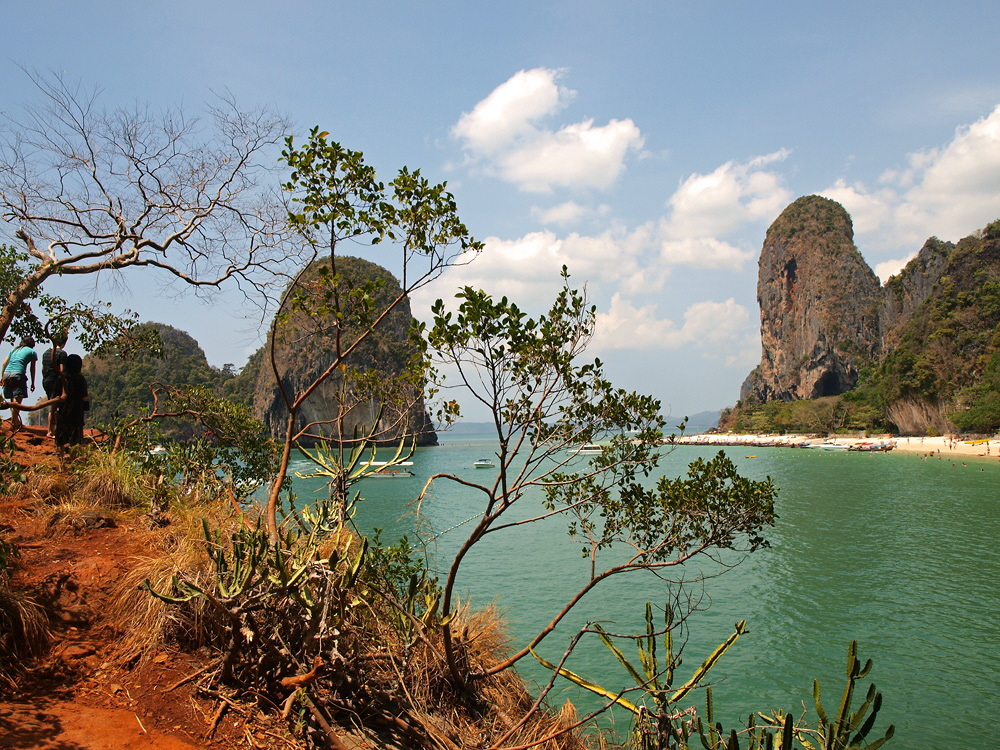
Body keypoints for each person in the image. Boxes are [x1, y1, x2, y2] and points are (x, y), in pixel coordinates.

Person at [1, 353, 89, 458]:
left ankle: (61, 460)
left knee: (60, 437)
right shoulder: (81, 379)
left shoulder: (61, 378)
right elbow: (84, 396)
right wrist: (85, 406)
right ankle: (76, 458)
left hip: (64, 411)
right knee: (76, 437)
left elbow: (55, 397)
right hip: (77, 411)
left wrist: (53, 411)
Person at [1, 336, 38, 434]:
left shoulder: (14, 349)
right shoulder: (32, 352)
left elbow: (4, 363)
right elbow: (32, 368)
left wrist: (2, 377)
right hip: (18, 374)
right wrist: (33, 382)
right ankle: (14, 425)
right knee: (17, 401)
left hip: (7, 374)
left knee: (12, 400)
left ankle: (15, 422)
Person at [41, 329, 70, 438]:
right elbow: (62, 371)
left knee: (51, 403)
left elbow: (43, 368)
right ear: (64, 342)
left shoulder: (46, 353)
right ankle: (50, 431)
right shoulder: (62, 354)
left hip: (46, 380)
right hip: (56, 381)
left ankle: (52, 430)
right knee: (54, 407)